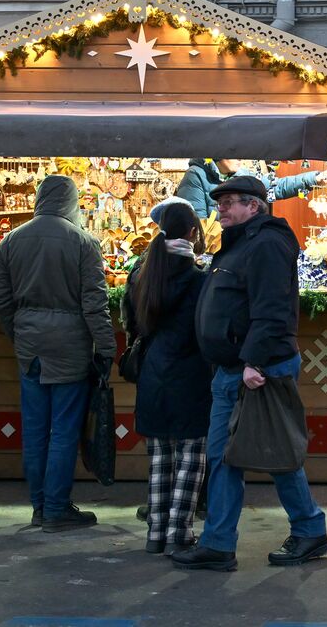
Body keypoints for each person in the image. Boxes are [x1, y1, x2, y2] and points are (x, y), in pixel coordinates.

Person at [173, 176, 327, 571]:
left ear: (253, 206)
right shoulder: (240, 244)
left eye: (229, 202)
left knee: (274, 451)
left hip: (258, 368)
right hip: (233, 368)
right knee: (226, 456)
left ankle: (308, 529)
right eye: (220, 202)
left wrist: (254, 362)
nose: (221, 208)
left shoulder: (266, 245)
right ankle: (219, 544)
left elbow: (273, 309)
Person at [0, 175, 115, 533]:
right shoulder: (83, 241)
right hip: (71, 347)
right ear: (72, 201)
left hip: (30, 348)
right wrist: (106, 348)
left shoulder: (11, 240)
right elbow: (95, 305)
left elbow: (0, 299)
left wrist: (19, 334)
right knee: (63, 430)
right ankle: (57, 508)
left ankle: (40, 506)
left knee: (34, 430)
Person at [123, 201, 212, 556]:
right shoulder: (200, 281)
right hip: (190, 374)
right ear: (193, 233)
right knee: (191, 457)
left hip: (153, 374)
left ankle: (155, 534)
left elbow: (132, 325)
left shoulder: (142, 276)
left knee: (159, 458)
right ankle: (180, 532)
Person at [176, 159, 318, 220]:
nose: (240, 158)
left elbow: (275, 187)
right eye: (233, 152)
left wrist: (314, 178)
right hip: (210, 252)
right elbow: (198, 224)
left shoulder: (242, 174)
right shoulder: (196, 175)